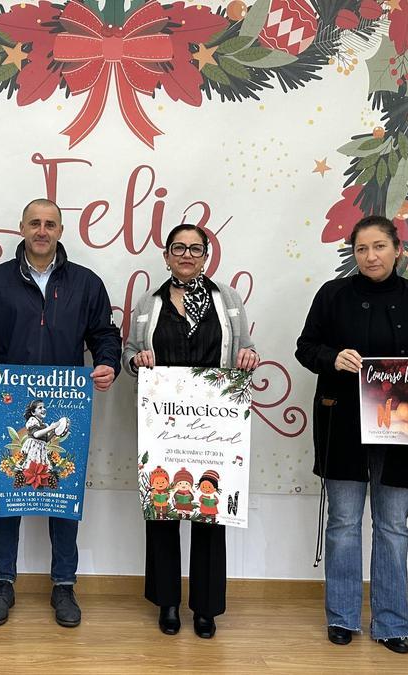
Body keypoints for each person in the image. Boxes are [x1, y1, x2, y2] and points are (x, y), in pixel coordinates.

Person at [0, 198, 122, 628]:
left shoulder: (86, 283)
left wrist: (107, 362)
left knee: (62, 494)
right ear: (22, 227)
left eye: (50, 223)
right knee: (8, 490)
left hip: (68, 401)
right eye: (34, 223)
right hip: (9, 404)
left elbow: (105, 334)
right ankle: (3, 582)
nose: (42, 230)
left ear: (61, 230)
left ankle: (64, 585)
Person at [295, 215, 408, 654]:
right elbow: (306, 347)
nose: (370, 256)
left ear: (398, 249)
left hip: (406, 427)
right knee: (342, 524)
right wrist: (332, 358)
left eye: (379, 247)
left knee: (393, 527)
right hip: (343, 425)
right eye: (361, 249)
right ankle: (341, 617)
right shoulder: (332, 294)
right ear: (352, 253)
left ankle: (392, 623)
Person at [121, 223, 259, 639]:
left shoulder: (227, 299)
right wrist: (136, 361)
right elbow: (130, 351)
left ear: (206, 255)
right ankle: (166, 601)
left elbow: (244, 346)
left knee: (210, 510)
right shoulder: (150, 301)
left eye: (195, 248)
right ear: (166, 256)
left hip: (213, 426)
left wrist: (249, 356)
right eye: (178, 248)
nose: (186, 255)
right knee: (162, 504)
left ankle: (205, 607)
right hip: (163, 423)